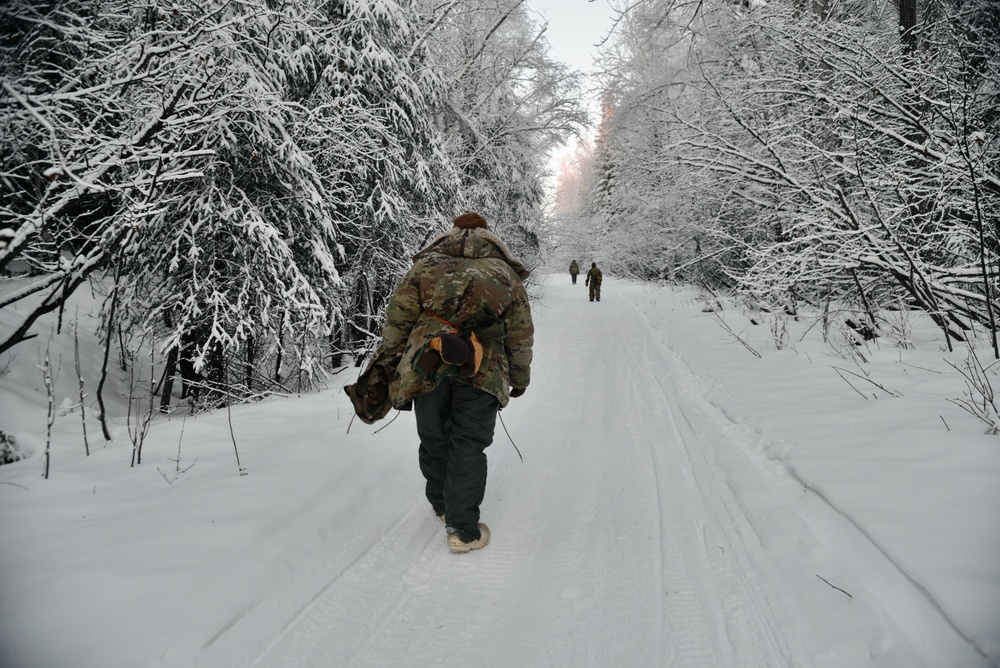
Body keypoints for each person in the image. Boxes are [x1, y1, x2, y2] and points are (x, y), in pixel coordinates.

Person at [379, 212, 534, 554]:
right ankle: (463, 531)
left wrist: (391, 365)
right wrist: (519, 378)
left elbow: (397, 320)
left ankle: (441, 505)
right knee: (468, 442)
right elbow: (520, 334)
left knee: (434, 436)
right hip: (483, 370)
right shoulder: (503, 273)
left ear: (450, 233)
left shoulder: (424, 268)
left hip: (426, 364)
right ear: (488, 236)